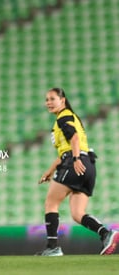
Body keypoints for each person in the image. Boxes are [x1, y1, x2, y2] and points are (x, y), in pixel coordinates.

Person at [37, 88, 119, 256]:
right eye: (47, 99)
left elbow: (73, 139)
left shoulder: (63, 117)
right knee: (77, 213)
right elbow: (68, 148)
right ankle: (106, 233)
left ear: (63, 100)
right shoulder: (72, 117)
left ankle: (52, 247)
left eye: (52, 99)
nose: (48, 102)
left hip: (75, 162)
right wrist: (50, 170)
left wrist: (75, 160)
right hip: (88, 164)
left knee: (51, 203)